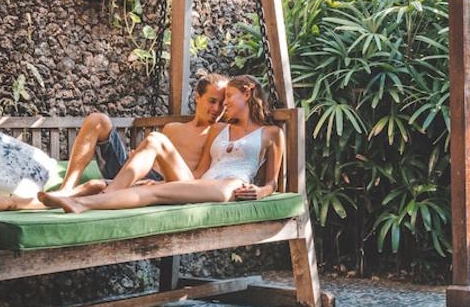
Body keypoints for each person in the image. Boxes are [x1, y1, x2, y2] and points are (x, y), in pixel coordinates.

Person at [37, 75, 284, 214]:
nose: (221, 106)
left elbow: (271, 182)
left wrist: (261, 191)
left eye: (226, 99)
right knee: (108, 126)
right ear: (197, 98)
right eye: (215, 100)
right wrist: (143, 164)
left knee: (143, 167)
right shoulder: (200, 130)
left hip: (212, 184)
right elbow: (198, 171)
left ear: (247, 94)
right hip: (181, 180)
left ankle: (95, 198)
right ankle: (69, 193)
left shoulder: (256, 132)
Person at [0, 73, 227, 211]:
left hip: (174, 187)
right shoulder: (172, 128)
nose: (217, 109)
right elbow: (154, 161)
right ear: (197, 97)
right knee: (98, 120)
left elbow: (199, 178)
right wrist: (139, 158)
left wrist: (160, 184)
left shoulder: (216, 132)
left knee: (99, 182)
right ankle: (66, 189)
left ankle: (15, 203)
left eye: (222, 104)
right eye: (212, 101)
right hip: (139, 177)